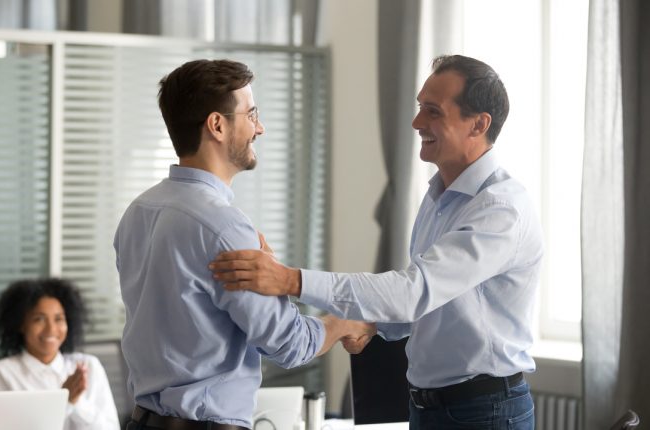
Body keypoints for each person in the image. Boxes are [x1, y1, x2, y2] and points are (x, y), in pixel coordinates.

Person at [209, 55, 543, 429]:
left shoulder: (500, 209)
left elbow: (413, 292)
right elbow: (428, 304)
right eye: (419, 108)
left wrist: (291, 280)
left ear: (479, 124)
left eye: (432, 112)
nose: (417, 122)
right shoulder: (439, 194)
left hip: (483, 412)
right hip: (430, 407)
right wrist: (369, 324)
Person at [113, 59, 375, 430]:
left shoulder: (139, 211)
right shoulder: (222, 226)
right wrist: (341, 322)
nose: (260, 128)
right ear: (217, 125)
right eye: (251, 114)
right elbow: (289, 343)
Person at [0, 278, 120, 430]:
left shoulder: (87, 366)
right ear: (21, 324)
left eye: (59, 319)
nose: (51, 329)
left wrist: (77, 402)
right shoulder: (2, 373)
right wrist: (64, 401)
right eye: (39, 319)